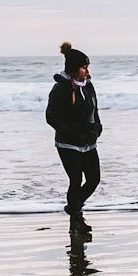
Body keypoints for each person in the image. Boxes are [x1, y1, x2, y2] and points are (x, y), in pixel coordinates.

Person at [45, 41, 102, 238]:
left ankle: (73, 208)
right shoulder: (60, 88)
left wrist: (98, 127)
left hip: (88, 142)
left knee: (94, 179)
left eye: (87, 67)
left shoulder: (88, 86)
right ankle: (76, 220)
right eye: (84, 67)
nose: (87, 71)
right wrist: (68, 131)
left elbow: (94, 109)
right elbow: (50, 116)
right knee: (76, 180)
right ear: (73, 68)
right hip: (68, 144)